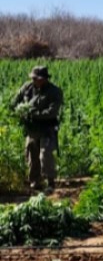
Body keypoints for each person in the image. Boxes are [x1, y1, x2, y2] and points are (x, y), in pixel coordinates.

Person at [9, 65, 63, 193]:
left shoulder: (54, 91)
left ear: (44, 79)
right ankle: (35, 181)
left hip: (47, 128)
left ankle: (50, 182)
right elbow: (15, 102)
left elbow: (52, 112)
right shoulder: (27, 87)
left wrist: (33, 113)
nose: (34, 81)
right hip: (32, 129)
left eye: (36, 78)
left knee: (46, 155)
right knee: (32, 155)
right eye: (33, 78)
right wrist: (19, 110)